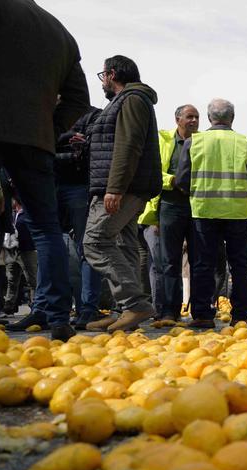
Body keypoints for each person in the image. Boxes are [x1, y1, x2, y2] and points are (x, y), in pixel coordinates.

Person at [0, 0, 90, 339]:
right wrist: (49, 130)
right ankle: (56, 314)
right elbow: (78, 100)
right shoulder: (60, 33)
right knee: (46, 227)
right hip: (36, 141)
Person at [83, 55, 162, 331]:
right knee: (123, 246)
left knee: (95, 242)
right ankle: (127, 311)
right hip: (127, 186)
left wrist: (114, 188)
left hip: (123, 188)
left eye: (103, 75)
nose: (102, 81)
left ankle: (135, 304)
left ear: (112, 74)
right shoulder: (126, 101)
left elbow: (128, 146)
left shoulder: (132, 100)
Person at [175, 98, 247, 327]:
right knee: (240, 265)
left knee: (203, 264)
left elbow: (182, 179)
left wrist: (197, 192)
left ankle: (204, 315)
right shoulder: (245, 143)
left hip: (204, 212)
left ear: (208, 118)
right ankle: (241, 315)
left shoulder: (194, 142)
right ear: (232, 118)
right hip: (237, 213)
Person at [137, 104, 200, 322]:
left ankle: (200, 311)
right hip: (169, 207)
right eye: (189, 117)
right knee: (168, 262)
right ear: (178, 120)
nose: (194, 121)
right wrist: (172, 181)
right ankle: (169, 311)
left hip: (197, 209)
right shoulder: (163, 141)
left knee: (198, 260)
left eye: (197, 117)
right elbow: (152, 171)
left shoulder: (202, 142)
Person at [53, 107, 104, 329]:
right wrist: (65, 138)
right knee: (49, 247)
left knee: (87, 248)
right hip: (52, 183)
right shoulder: (46, 112)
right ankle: (48, 309)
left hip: (79, 185)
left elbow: (94, 142)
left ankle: (87, 308)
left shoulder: (93, 114)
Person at [3, 202, 38, 315]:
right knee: (11, 279)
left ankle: (35, 305)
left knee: (32, 280)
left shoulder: (27, 212)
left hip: (27, 250)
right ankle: (9, 305)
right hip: (12, 251)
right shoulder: (11, 214)